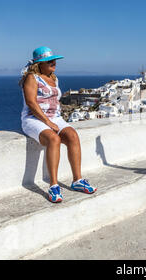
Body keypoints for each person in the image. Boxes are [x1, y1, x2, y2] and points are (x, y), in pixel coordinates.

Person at [20, 46, 97, 203]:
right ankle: (53, 185)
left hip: (55, 117)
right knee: (53, 139)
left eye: (54, 60)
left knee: (72, 136)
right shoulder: (31, 78)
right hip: (33, 119)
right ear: (39, 64)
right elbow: (31, 103)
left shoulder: (54, 78)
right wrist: (47, 122)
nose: (53, 63)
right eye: (49, 61)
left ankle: (77, 181)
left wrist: (53, 120)